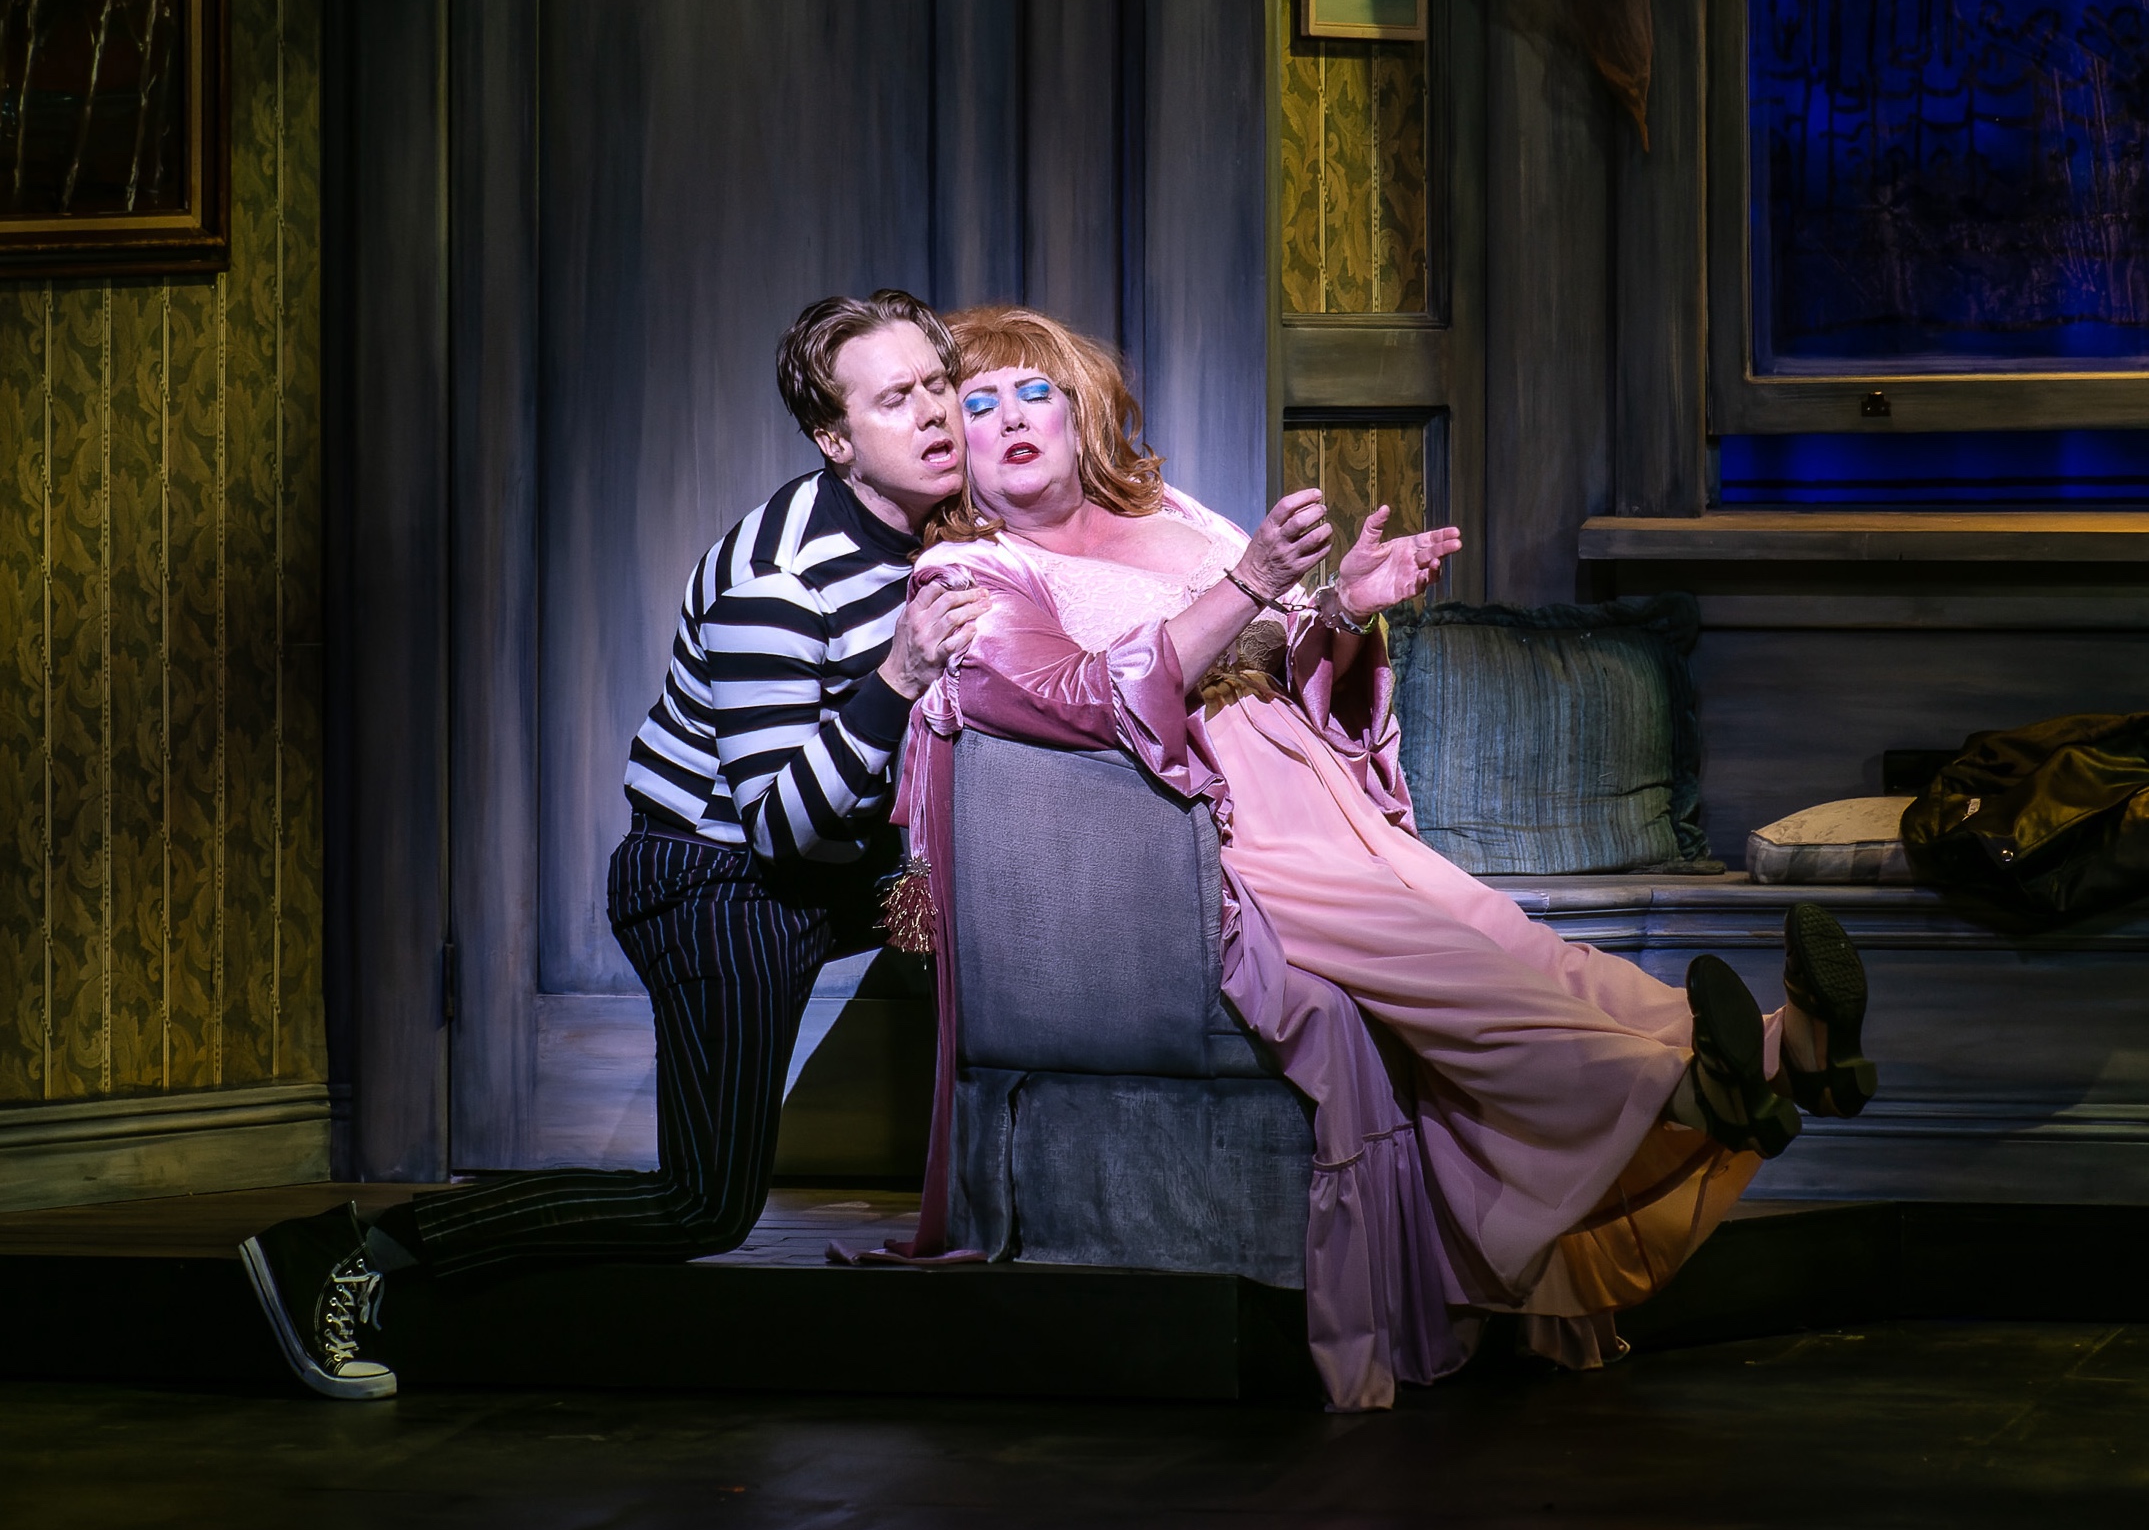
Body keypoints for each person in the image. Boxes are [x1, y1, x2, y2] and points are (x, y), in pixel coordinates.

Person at [897, 305, 1878, 1411]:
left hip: (1316, 790)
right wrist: (1253, 584)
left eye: (1036, 393)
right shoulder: (973, 576)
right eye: (979, 403)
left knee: (1510, 942)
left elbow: (1274, 645)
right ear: (951, 444)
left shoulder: (1167, 513)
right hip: (1205, 835)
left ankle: (1781, 1052)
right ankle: (1680, 1090)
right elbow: (1078, 697)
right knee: (1452, 969)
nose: (1011, 418)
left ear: (1081, 414)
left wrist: (1342, 607)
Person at [240, 289, 985, 1400]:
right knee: (701, 1206)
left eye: (937, 383)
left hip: (820, 872)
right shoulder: (778, 578)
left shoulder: (938, 529)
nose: (933, 413)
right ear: (835, 439)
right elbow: (781, 826)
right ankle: (347, 1249)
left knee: (1006, 904)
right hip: (719, 884)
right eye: (893, 400)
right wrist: (899, 676)